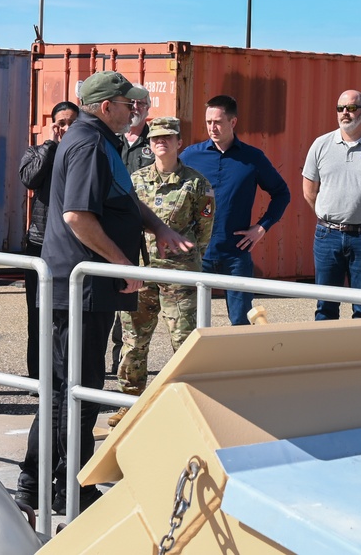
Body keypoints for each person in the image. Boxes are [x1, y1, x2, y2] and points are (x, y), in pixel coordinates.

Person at [14, 71, 191, 514]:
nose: (134, 109)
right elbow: (78, 216)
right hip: (81, 287)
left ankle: (49, 481)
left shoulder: (101, 140)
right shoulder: (89, 143)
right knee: (73, 388)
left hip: (89, 286)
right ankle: (57, 484)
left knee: (74, 386)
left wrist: (159, 227)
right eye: (126, 102)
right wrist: (123, 264)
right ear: (104, 105)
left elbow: (123, 199)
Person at [110, 118, 214, 427]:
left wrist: (187, 263)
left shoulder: (196, 184)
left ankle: (188, 404)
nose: (161, 142)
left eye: (168, 137)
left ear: (179, 142)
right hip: (141, 274)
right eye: (156, 137)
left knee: (183, 343)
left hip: (178, 278)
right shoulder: (135, 181)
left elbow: (204, 231)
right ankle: (129, 403)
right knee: (133, 342)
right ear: (149, 143)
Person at [181, 95, 290, 325]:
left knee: (241, 322)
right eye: (208, 121)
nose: (212, 127)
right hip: (199, 254)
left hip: (235, 254)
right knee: (193, 323)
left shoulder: (252, 158)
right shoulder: (191, 156)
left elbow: (282, 193)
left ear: (233, 122)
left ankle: (240, 362)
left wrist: (261, 228)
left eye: (218, 122)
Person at [302, 90, 361, 320]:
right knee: (325, 305)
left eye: (351, 108)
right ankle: (325, 354)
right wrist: (329, 216)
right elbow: (309, 190)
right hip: (326, 236)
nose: (345, 113)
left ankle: (359, 354)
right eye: (340, 108)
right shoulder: (321, 144)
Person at [19, 100, 79, 380]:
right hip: (40, 242)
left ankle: (67, 373)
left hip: (72, 245)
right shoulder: (37, 152)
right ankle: (38, 375)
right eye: (61, 123)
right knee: (38, 314)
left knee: (68, 315)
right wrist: (50, 146)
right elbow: (30, 179)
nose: (66, 129)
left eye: (71, 123)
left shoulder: (82, 154)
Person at [110, 87, 154, 372]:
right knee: (107, 293)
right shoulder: (111, 141)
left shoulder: (158, 141)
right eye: (132, 102)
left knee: (132, 299)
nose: (136, 107)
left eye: (142, 103)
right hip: (112, 233)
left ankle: (122, 359)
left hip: (144, 233)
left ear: (149, 107)